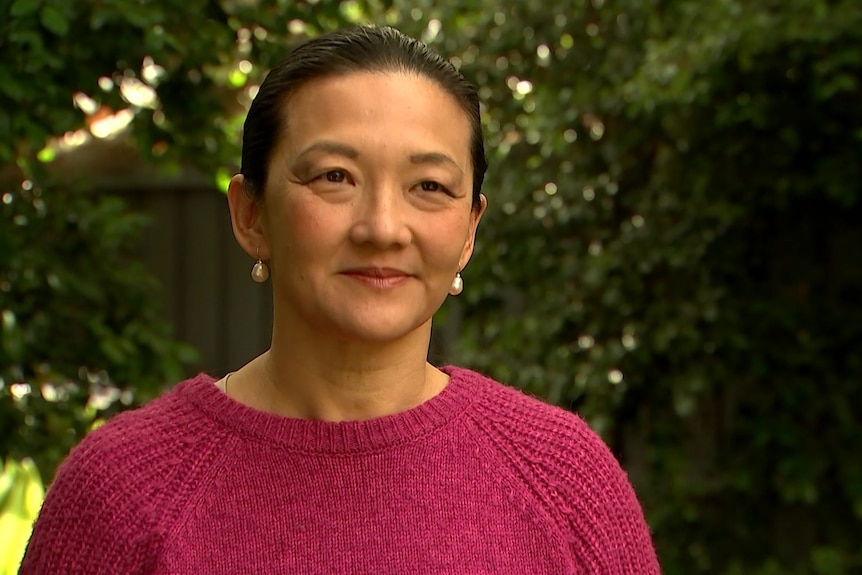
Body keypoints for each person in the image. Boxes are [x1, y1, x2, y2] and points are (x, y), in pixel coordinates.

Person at [20, 26, 660, 574]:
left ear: (469, 231)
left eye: (429, 185)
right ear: (251, 215)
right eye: (335, 177)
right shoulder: (124, 489)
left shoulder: (561, 482)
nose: (382, 227)